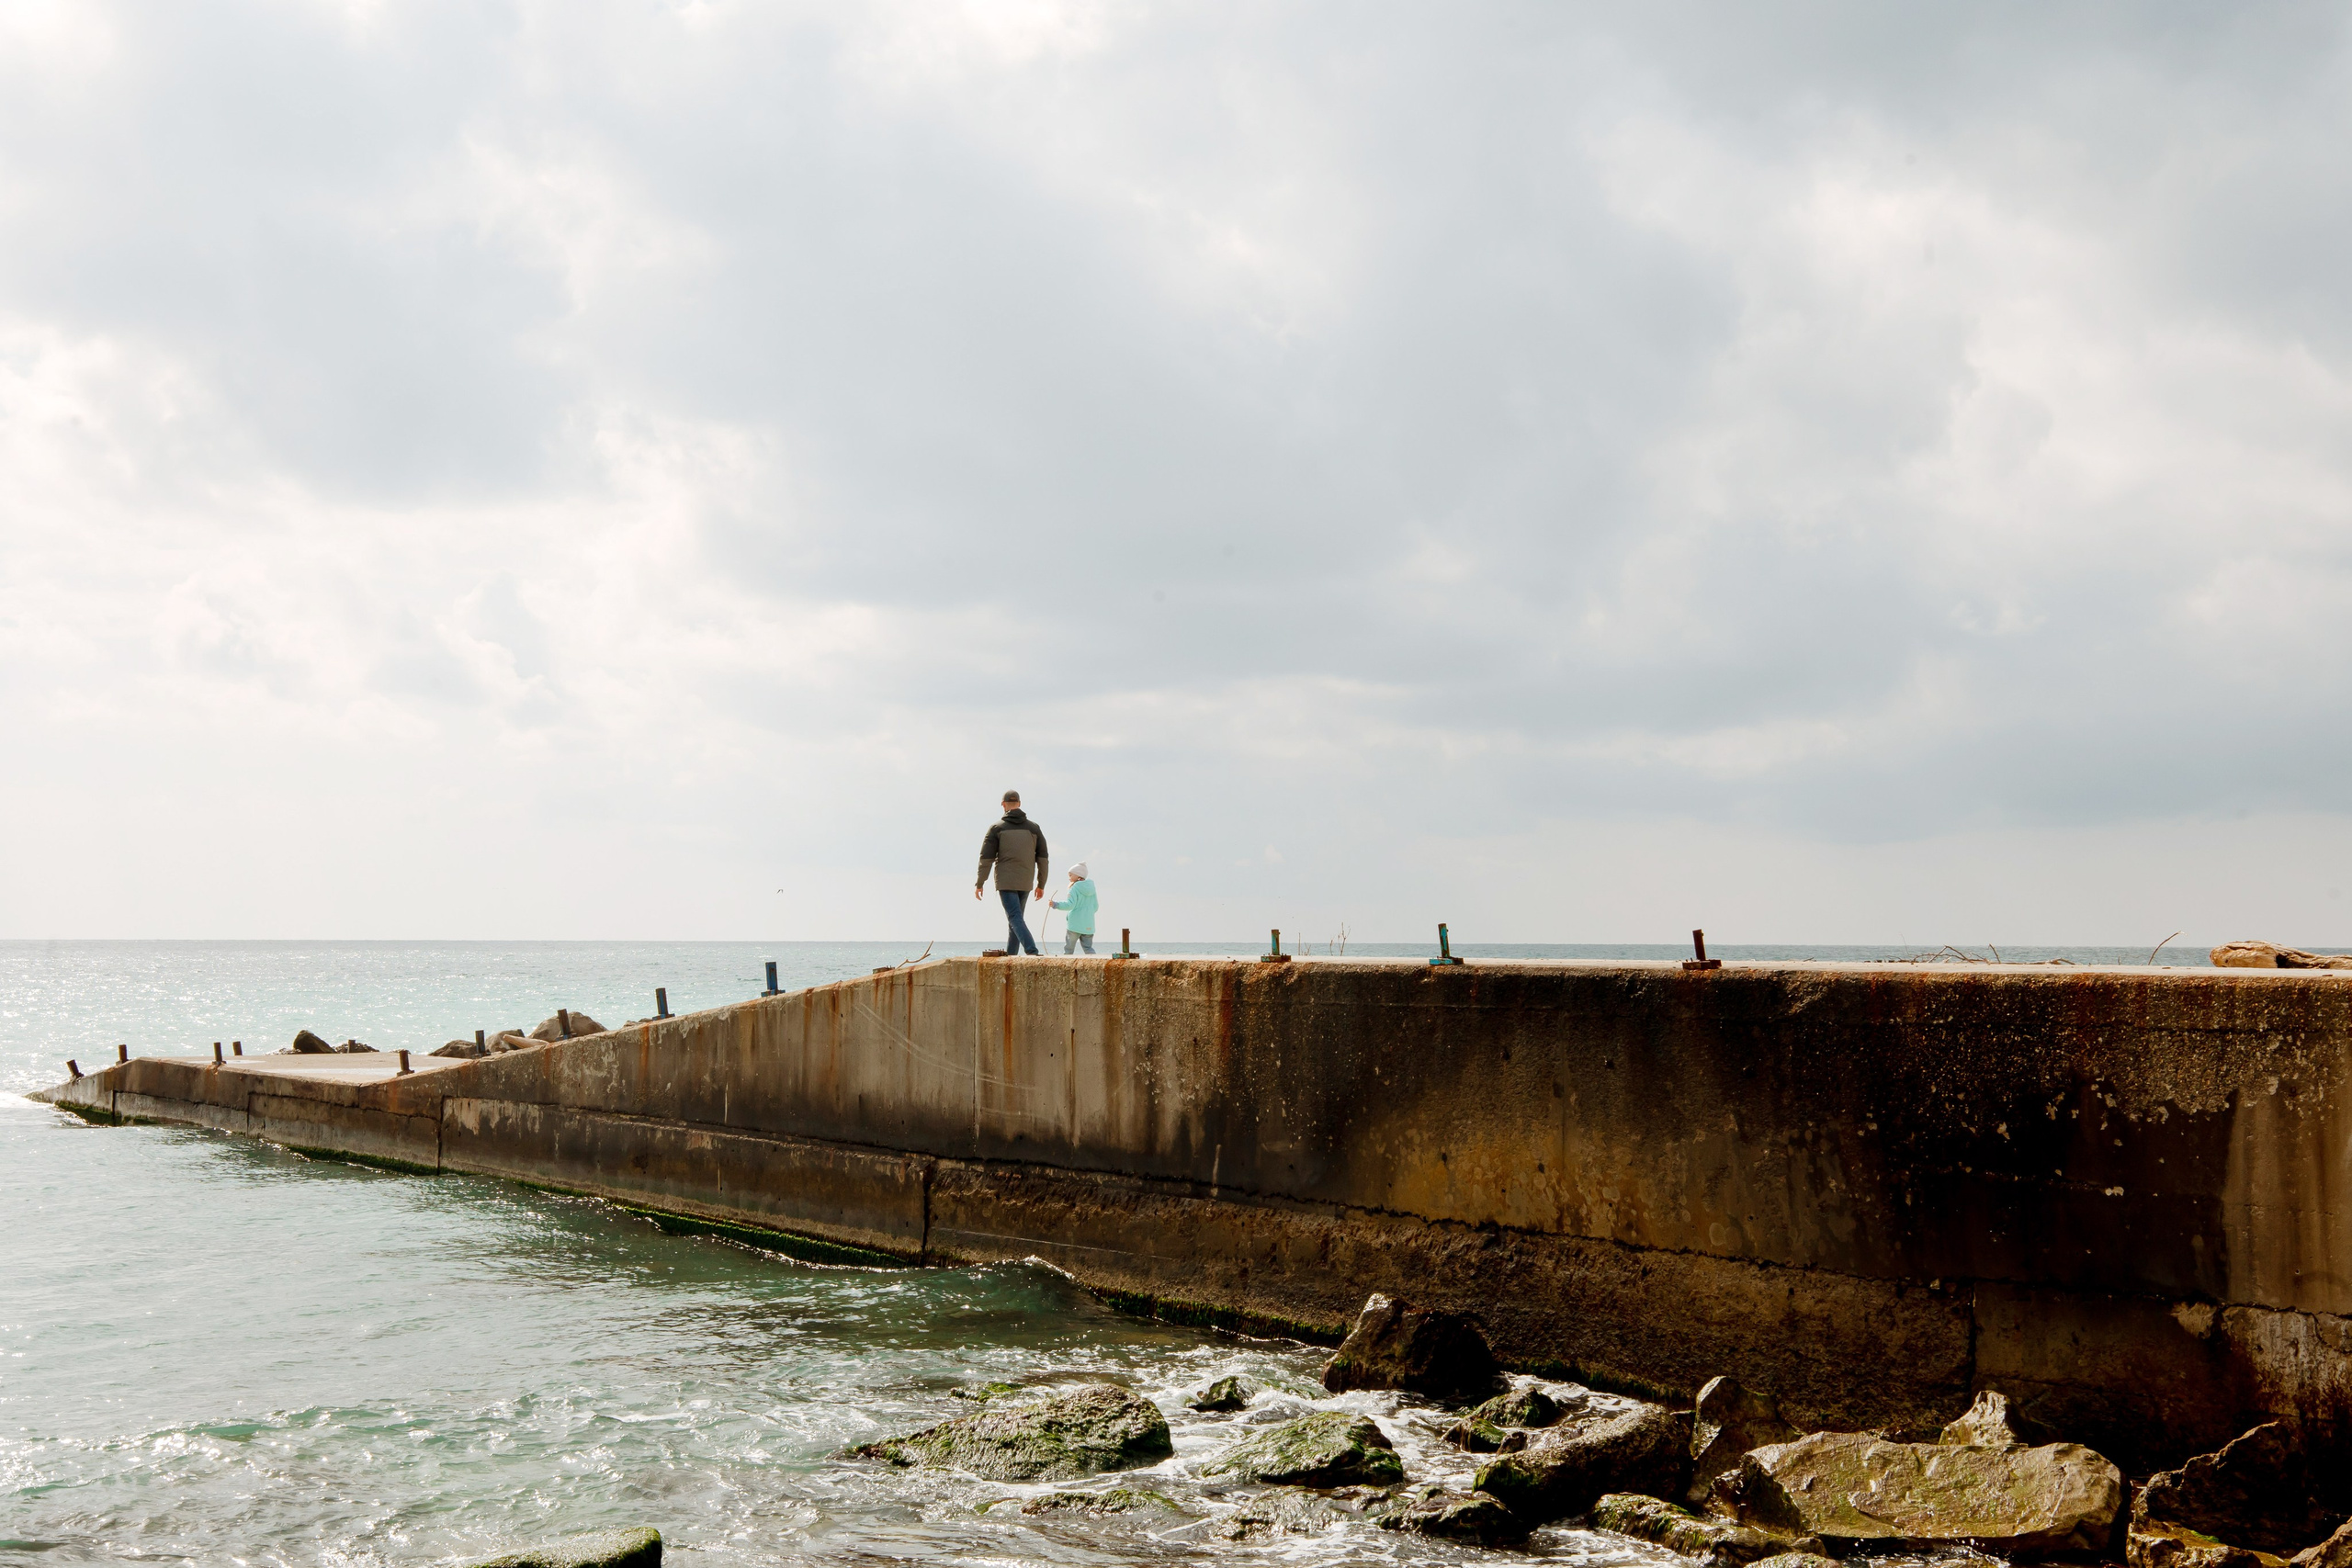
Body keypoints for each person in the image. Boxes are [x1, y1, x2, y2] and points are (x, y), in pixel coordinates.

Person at [974, 791, 1048, 955]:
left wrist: (980, 883)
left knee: (1014, 917)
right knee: (1015, 919)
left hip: (1006, 881)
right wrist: (1041, 884)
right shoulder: (1034, 828)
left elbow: (986, 859)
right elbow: (1043, 858)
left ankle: (1032, 950)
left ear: (1003, 804)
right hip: (1026, 881)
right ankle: (1011, 956)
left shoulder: (996, 828)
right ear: (1019, 804)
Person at [1050, 863, 1098, 954]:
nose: (1069, 877)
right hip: (1089, 924)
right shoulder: (1092, 888)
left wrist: (1055, 904)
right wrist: (1087, 914)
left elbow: (1070, 905)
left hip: (1074, 924)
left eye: (1071, 875)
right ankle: (1096, 965)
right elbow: (1095, 906)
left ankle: (1066, 967)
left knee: (1069, 949)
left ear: (1078, 876)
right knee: (1088, 948)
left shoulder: (1074, 888)